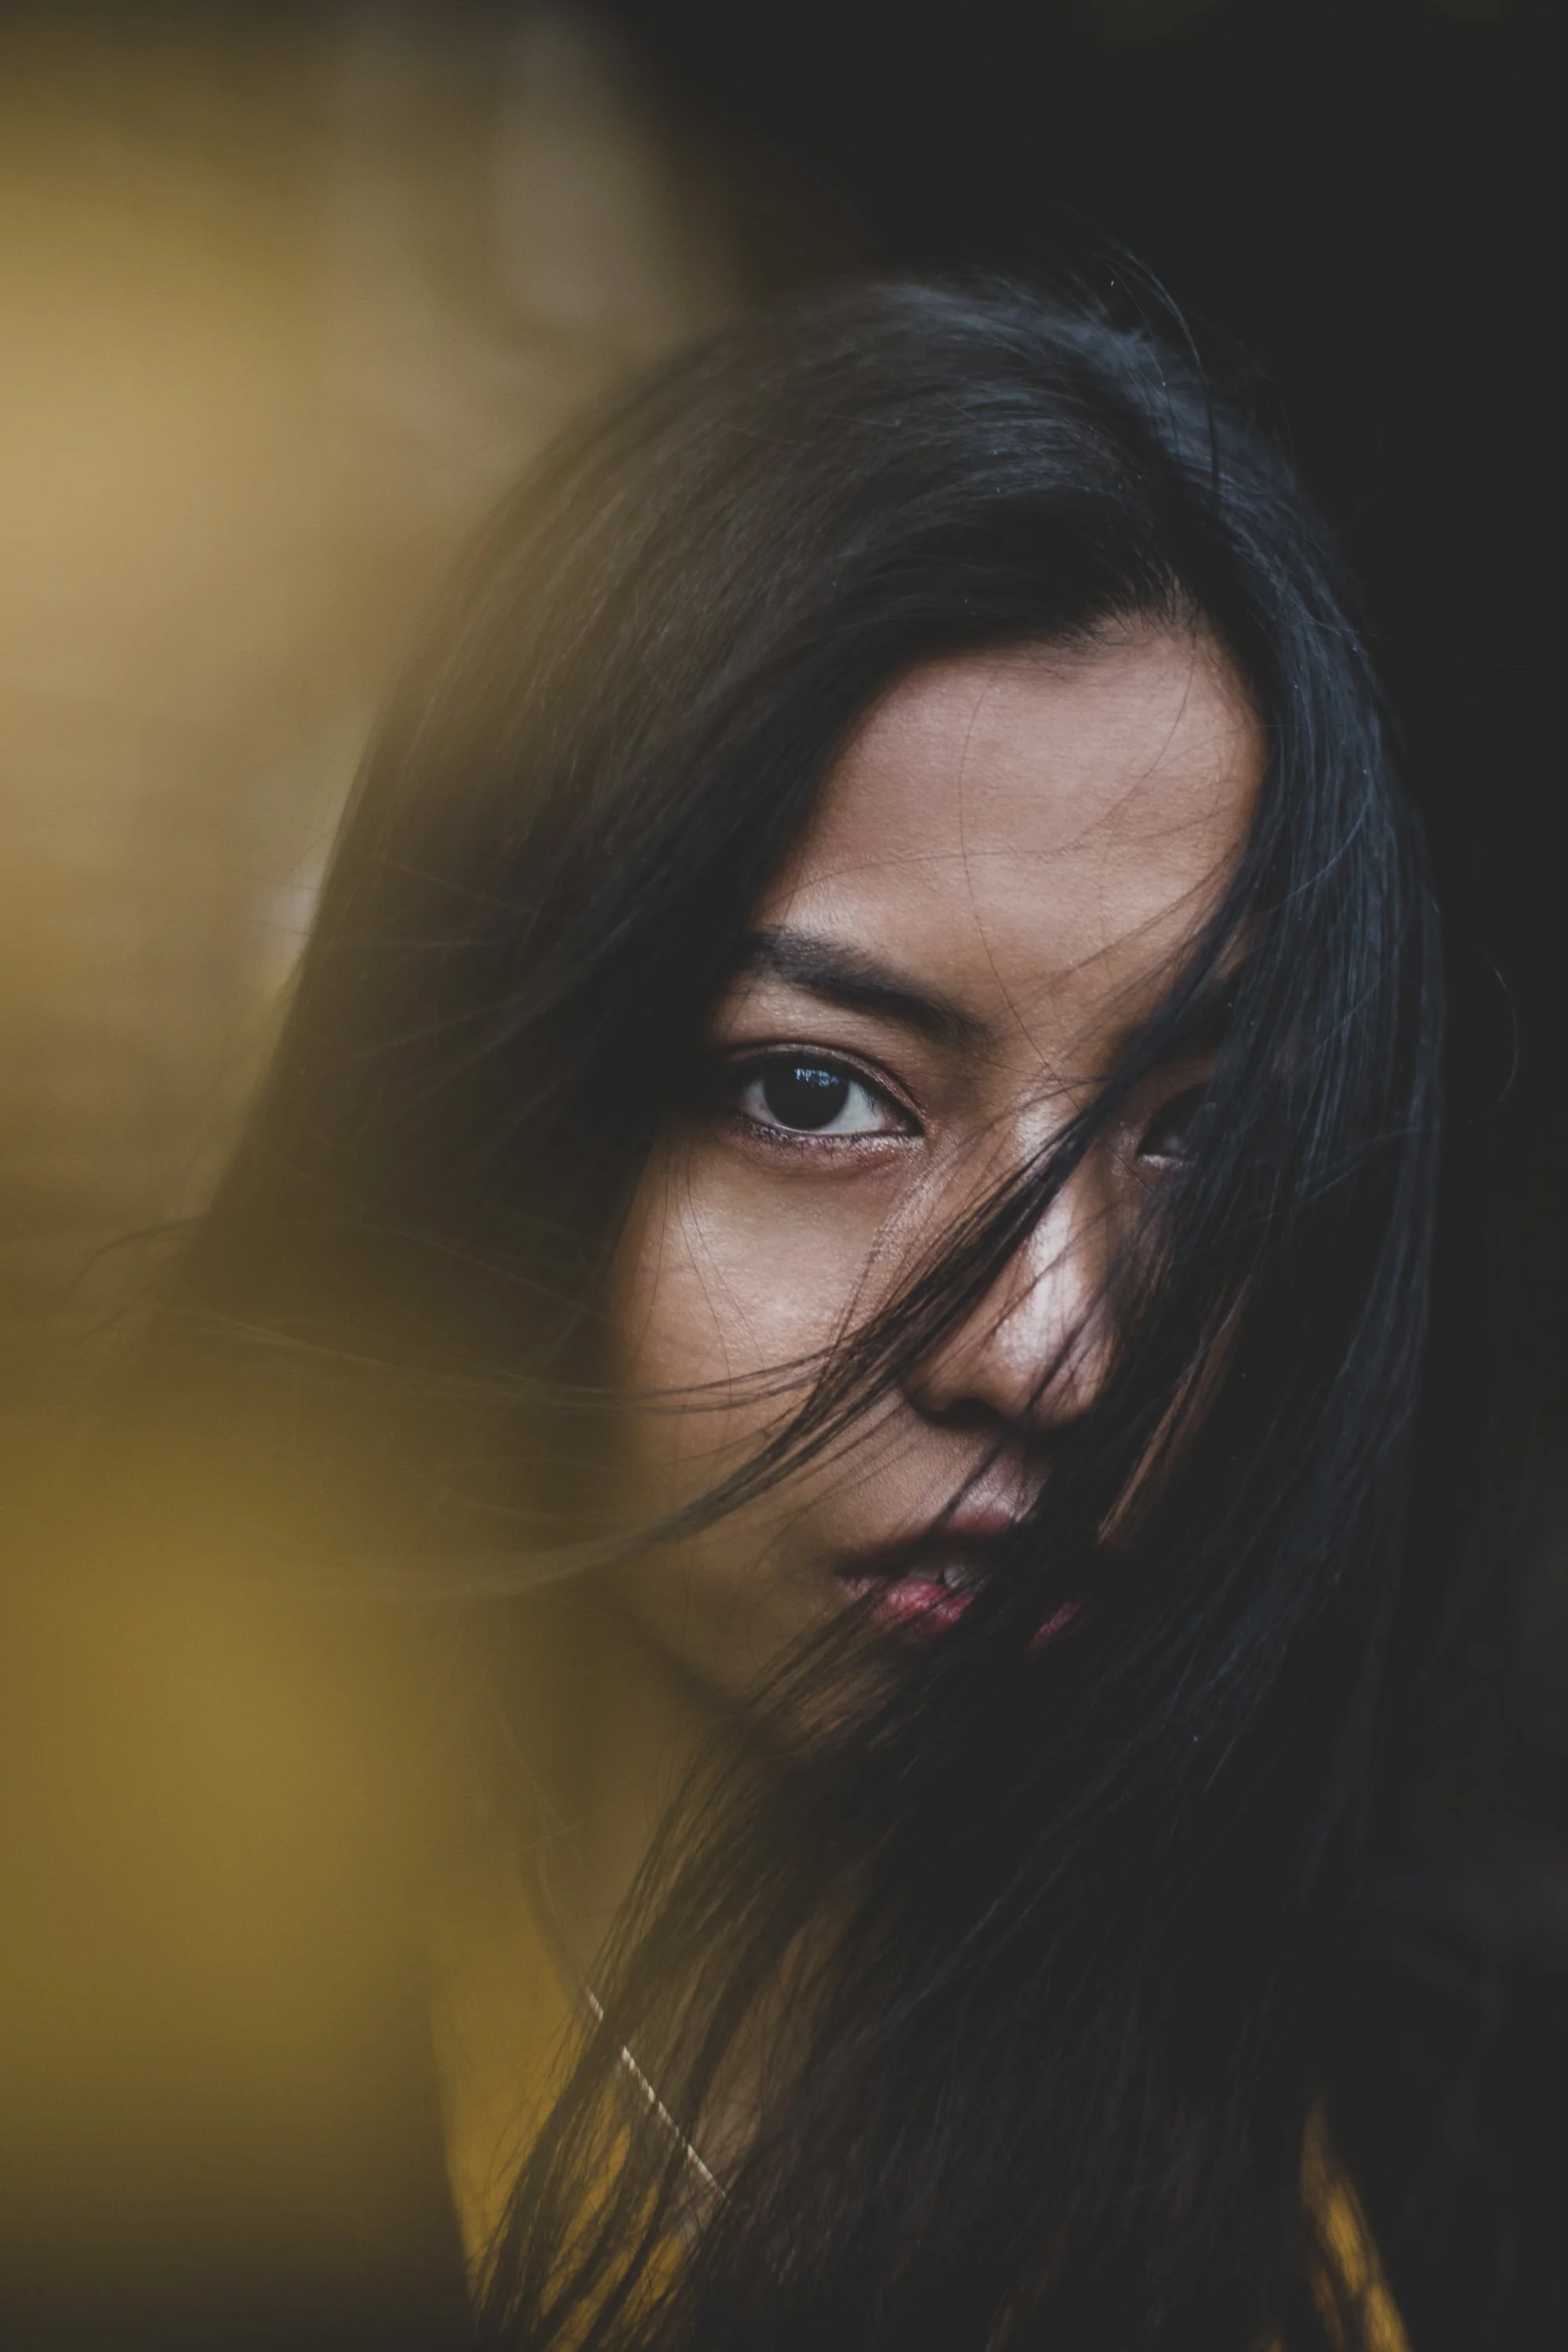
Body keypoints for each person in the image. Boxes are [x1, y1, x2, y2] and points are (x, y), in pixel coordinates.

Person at [5, 278, 1566, 2352]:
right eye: (817, 1094)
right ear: (505, 1119)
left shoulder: (1480, 2132)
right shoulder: (110, 2113)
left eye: (1194, 1140)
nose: (1045, 1352)